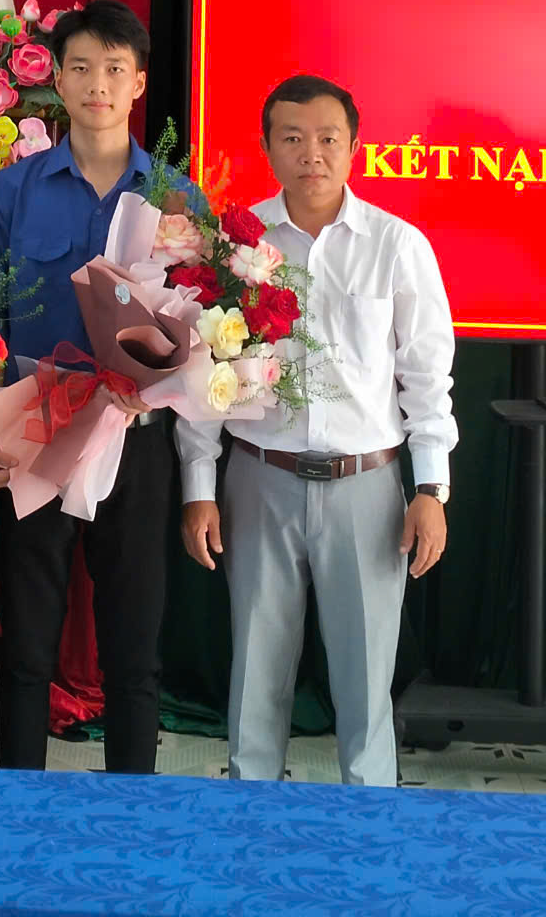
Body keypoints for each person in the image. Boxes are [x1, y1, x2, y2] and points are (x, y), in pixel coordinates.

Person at [177, 74, 456, 788]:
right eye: (293, 138)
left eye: (329, 138)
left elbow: (427, 380)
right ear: (268, 147)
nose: (312, 154)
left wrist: (431, 490)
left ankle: (368, 819)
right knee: (255, 672)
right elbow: (202, 374)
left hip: (367, 488)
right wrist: (199, 488)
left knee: (365, 679)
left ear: (354, 146)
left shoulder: (397, 246)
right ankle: (250, 812)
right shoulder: (234, 246)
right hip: (259, 479)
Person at [0, 0, 186, 775]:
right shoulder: (13, 191)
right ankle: (19, 804)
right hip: (37, 422)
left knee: (134, 645)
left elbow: (198, 326)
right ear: (57, 80)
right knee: (27, 642)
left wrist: (157, 386)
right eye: (82, 67)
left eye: (115, 69)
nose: (99, 84)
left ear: (139, 83)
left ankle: (129, 813)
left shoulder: (177, 198)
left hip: (135, 436)